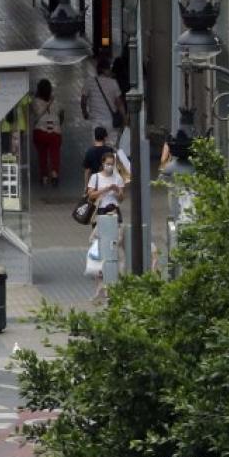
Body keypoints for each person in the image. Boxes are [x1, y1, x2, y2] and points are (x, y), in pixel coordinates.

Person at [85, 151, 128, 299]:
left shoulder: (118, 178)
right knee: (97, 245)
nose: (110, 166)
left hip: (115, 214)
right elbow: (91, 195)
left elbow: (122, 198)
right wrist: (105, 189)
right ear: (103, 163)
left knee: (117, 247)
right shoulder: (95, 177)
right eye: (107, 164)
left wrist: (117, 192)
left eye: (112, 164)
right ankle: (101, 284)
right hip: (101, 215)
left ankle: (117, 282)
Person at [81, 53, 126, 148]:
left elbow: (83, 100)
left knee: (98, 147)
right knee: (111, 148)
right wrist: (124, 117)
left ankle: (99, 162)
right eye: (109, 68)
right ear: (104, 70)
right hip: (110, 122)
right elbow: (119, 103)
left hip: (96, 121)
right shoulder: (113, 83)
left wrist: (85, 113)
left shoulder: (89, 82)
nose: (110, 70)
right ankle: (109, 162)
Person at [28, 78, 63, 186]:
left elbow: (33, 113)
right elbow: (61, 115)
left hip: (40, 131)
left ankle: (44, 177)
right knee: (55, 154)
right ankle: (54, 174)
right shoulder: (56, 101)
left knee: (42, 155)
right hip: (55, 132)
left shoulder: (34, 101)